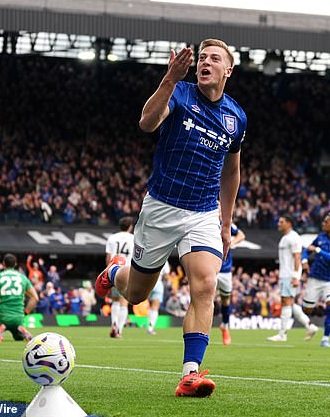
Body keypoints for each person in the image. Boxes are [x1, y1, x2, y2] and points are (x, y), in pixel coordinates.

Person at [95, 38, 247, 397]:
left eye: (214, 59)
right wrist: (168, 79)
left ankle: (190, 374)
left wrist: (226, 225)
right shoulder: (179, 92)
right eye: (202, 58)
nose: (205, 63)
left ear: (228, 70)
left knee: (206, 284)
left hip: (204, 212)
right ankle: (116, 270)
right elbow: (147, 123)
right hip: (162, 208)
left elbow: (231, 173)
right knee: (135, 295)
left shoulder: (236, 117)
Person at [267, 214, 318, 342]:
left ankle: (282, 334)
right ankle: (309, 326)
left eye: (281, 221)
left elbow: (297, 257)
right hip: (284, 275)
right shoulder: (285, 238)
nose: (279, 224)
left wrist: (296, 276)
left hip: (289, 275)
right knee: (289, 302)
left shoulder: (294, 237)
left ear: (289, 223)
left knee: (286, 302)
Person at [301, 211, 330, 348]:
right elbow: (307, 250)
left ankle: (325, 339)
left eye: (326, 221)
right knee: (307, 310)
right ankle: (309, 324)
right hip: (314, 279)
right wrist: (304, 260)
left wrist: (318, 251)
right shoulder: (320, 238)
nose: (323, 223)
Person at [0, 253, 38, 343]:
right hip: (18, 317)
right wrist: (25, 313)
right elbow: (35, 298)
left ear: (3, 263)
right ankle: (20, 330)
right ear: (15, 264)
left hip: (2, 316)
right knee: (17, 337)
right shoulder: (23, 278)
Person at [217, 207, 245, 345]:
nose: (219, 212)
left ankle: (225, 326)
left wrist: (231, 243)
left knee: (225, 299)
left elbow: (241, 235)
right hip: (210, 267)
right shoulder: (205, 222)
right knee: (204, 297)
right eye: (217, 209)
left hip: (225, 269)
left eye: (220, 209)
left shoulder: (226, 225)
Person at [104, 216, 135, 338]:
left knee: (115, 301)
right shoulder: (133, 238)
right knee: (124, 302)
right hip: (127, 271)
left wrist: (109, 272)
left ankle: (114, 324)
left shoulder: (112, 238)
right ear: (130, 227)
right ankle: (119, 331)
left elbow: (108, 257)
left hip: (114, 271)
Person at [147, 260, 171, 335]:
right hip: (158, 282)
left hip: (148, 282)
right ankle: (150, 327)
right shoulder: (164, 259)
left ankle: (150, 325)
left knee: (151, 306)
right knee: (155, 307)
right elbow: (166, 275)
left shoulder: (149, 255)